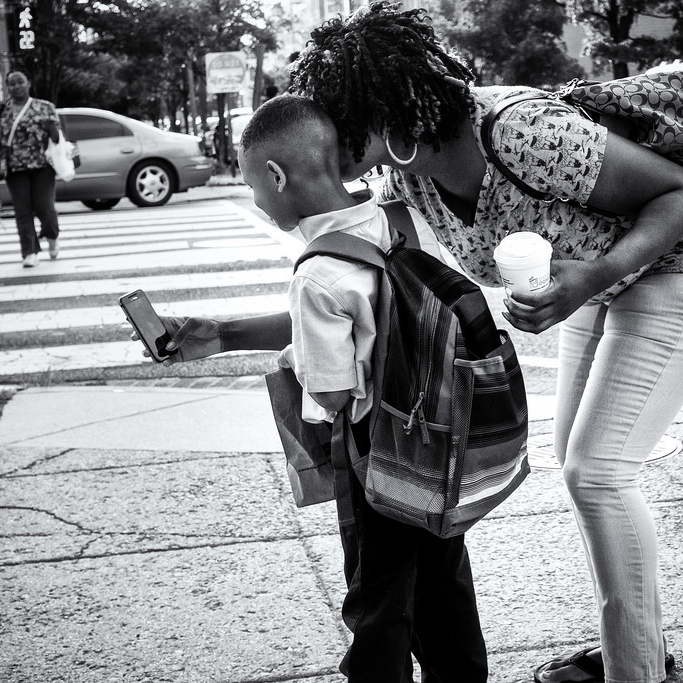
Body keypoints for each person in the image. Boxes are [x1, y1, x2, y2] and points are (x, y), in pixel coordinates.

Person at [147, 4, 683, 682]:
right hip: (597, 276)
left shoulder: (519, 133)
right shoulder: (406, 180)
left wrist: (590, 279)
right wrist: (224, 333)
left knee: (598, 471)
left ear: (380, 114)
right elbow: (368, 296)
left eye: (339, 122)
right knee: (578, 460)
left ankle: (634, 670)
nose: (328, 141)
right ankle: (636, 640)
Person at [215, 93, 491, 682]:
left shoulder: (316, 276)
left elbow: (334, 394)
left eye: (254, 186)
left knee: (378, 596)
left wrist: (299, 358)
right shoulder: (403, 218)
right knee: (444, 578)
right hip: (440, 435)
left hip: (378, 455)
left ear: (276, 176)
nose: (257, 200)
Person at [0, 70, 61, 268]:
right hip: (14, 168)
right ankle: (29, 252)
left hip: (42, 166)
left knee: (45, 208)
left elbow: (57, 139)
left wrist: (51, 128)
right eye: (12, 83)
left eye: (20, 82)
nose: (17, 86)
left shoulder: (45, 107)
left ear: (28, 83)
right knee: (23, 210)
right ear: (7, 87)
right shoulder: (0, 110)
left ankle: (52, 235)